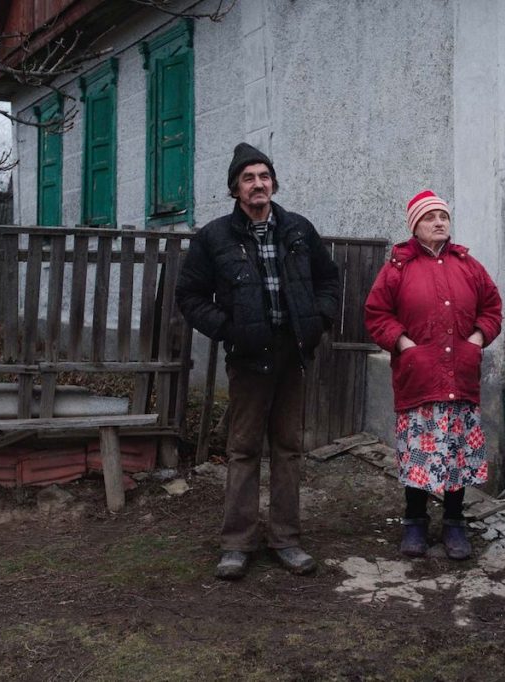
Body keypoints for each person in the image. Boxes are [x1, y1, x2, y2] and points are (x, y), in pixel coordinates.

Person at [176, 143, 340, 580]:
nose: (258, 184)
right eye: (248, 178)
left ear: (274, 183)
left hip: (293, 355)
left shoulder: (299, 231)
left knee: (287, 449)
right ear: (235, 188)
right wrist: (229, 329)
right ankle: (237, 543)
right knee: (244, 449)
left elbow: (329, 280)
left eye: (264, 176)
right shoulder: (214, 238)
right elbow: (189, 297)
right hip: (249, 358)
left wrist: (319, 319)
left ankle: (286, 539)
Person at [364, 190, 502, 560]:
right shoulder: (397, 267)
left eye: (443, 216)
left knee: (456, 452)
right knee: (419, 455)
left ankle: (455, 523)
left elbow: (492, 307)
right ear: (415, 226)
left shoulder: (468, 266)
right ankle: (414, 522)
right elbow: (377, 315)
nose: (440, 222)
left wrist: (476, 340)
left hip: (460, 377)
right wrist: (405, 346)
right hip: (420, 377)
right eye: (430, 217)